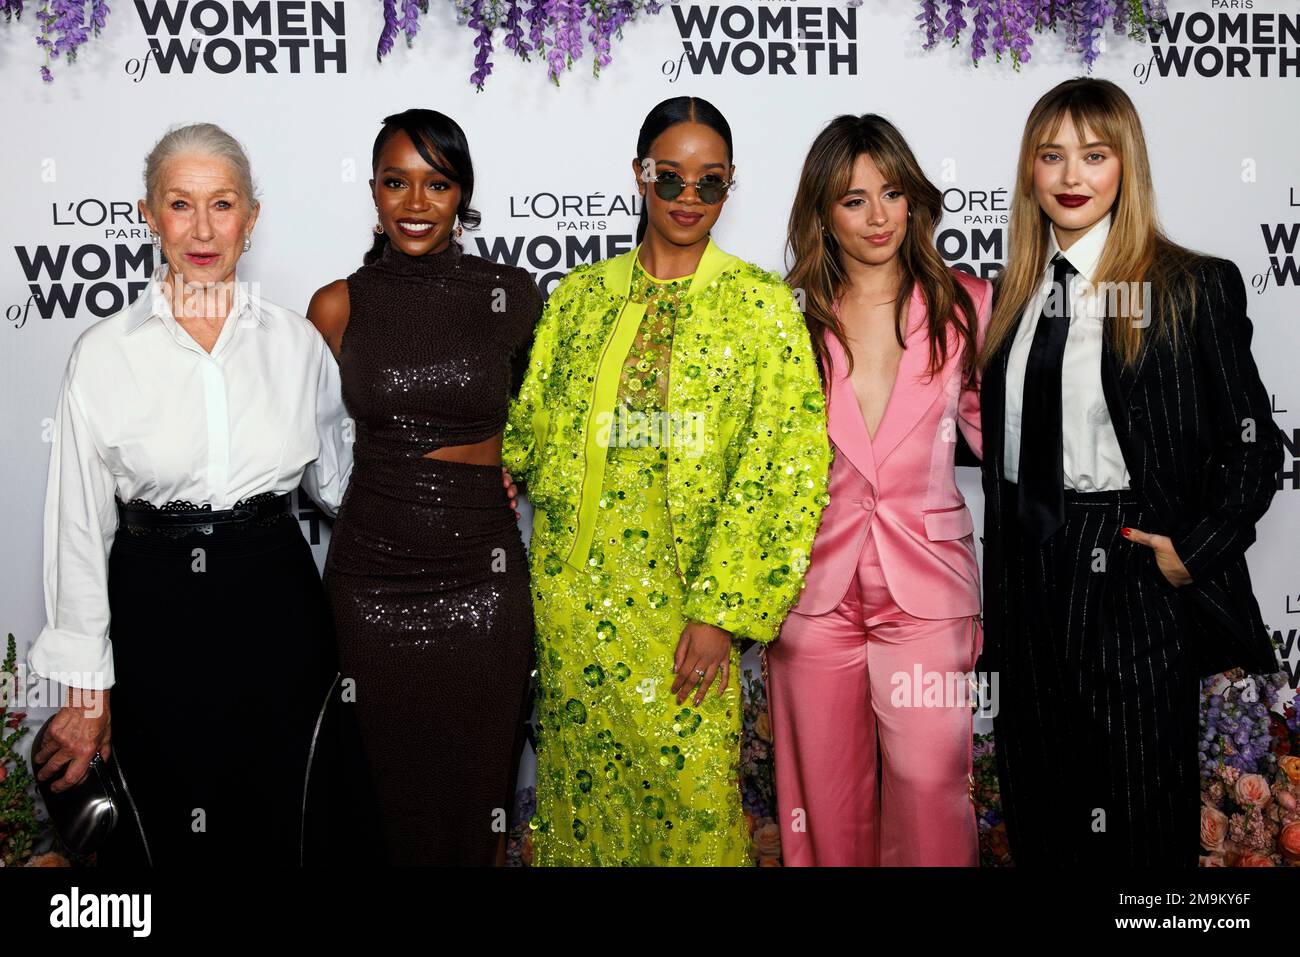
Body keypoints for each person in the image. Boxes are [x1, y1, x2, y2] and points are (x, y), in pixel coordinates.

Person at [503, 95, 830, 866]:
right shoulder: (581, 296)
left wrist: (724, 610)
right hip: (576, 604)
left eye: (709, 183)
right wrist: (499, 470)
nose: (688, 199)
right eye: (670, 178)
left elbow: (785, 464)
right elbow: (533, 425)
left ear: (730, 186)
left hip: (688, 611)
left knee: (689, 804)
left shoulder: (759, 305)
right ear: (639, 175)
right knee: (581, 804)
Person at [30, 122, 353, 866]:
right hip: (155, 610)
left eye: (223, 204)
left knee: (283, 817)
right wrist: (85, 689)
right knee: (166, 823)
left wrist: (456, 478)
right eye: (180, 204)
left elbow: (344, 479)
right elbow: (77, 529)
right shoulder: (103, 354)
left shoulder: (295, 342)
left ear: (252, 216)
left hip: (278, 601)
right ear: (148, 214)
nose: (202, 230)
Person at [979, 78, 1283, 866]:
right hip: (1026, 578)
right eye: (1051, 156)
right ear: (1029, 171)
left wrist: (1193, 546)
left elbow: (1254, 446)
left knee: (1140, 816)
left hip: (1130, 569)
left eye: (1094, 154)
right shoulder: (1012, 294)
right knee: (1041, 806)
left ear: (1127, 166)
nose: (1071, 175)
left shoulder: (1187, 285)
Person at [307, 109, 540, 865]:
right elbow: (310, 448)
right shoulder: (337, 305)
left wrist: (510, 460)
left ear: (462, 194)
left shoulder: (515, 297)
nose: (414, 203)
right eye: (395, 182)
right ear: (372, 191)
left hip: (483, 573)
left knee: (479, 801)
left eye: (437, 184)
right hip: (371, 579)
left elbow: (553, 427)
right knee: (382, 801)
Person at [768, 114, 991, 866]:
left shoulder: (969, 306)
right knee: (821, 805)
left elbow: (1009, 444)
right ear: (823, 211)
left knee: (932, 786)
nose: (878, 216)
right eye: (854, 199)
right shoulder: (785, 316)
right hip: (813, 592)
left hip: (927, 589)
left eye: (892, 193)